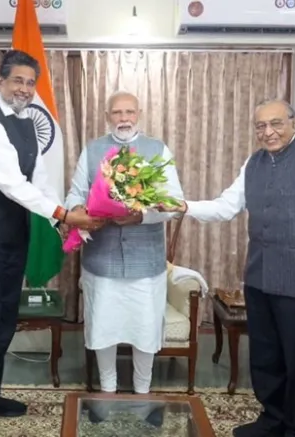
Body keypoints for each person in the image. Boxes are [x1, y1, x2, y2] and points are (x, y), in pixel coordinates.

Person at [160, 99, 295, 437]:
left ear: (293, 122)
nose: (268, 132)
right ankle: (273, 419)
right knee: (265, 357)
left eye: (276, 123)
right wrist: (184, 206)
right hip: (259, 277)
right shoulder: (253, 163)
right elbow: (226, 207)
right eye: (260, 126)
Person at [0, 50, 102, 437]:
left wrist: (61, 216)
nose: (25, 88)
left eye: (30, 82)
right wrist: (66, 216)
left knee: (2, 325)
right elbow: (11, 184)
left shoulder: (27, 123)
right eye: (17, 80)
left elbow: (38, 180)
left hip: (11, 240)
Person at [65, 90, 184, 396]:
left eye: (129, 112)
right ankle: (108, 391)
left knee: (144, 331)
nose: (124, 119)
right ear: (108, 117)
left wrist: (140, 217)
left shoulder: (157, 149)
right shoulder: (93, 150)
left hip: (146, 264)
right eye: (117, 113)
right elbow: (76, 193)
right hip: (101, 262)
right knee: (104, 328)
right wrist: (80, 214)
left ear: (139, 114)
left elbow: (173, 203)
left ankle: (143, 391)